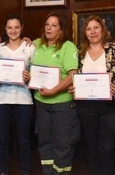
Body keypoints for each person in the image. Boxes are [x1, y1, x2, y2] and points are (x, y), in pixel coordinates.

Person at [69, 15, 115, 175]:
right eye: (88, 29)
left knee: (107, 147)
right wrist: (74, 87)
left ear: (103, 29)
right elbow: (74, 76)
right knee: (91, 147)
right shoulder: (80, 52)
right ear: (85, 32)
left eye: (96, 28)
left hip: (111, 108)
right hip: (86, 108)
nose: (93, 32)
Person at [32, 12, 80, 174]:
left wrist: (53, 90)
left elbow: (73, 74)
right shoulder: (36, 44)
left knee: (62, 143)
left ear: (61, 30)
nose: (49, 28)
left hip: (62, 104)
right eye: (47, 24)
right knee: (44, 141)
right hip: (41, 103)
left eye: (54, 25)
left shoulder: (68, 47)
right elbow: (18, 47)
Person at [0, 14, 35, 175]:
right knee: (2, 139)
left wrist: (30, 76)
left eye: (16, 27)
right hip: (1, 99)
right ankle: (3, 171)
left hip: (24, 99)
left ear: (22, 28)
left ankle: (25, 171)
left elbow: (36, 73)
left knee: (23, 139)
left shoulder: (30, 47)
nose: (13, 31)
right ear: (5, 29)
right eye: (10, 27)